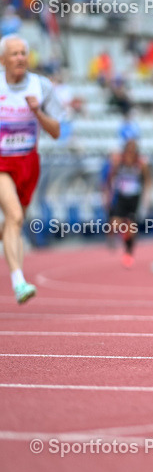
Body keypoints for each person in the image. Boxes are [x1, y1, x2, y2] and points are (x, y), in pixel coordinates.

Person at [0, 35, 61, 303]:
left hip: (28, 162)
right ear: (3, 60)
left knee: (15, 222)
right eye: (14, 54)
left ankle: (17, 278)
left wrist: (37, 113)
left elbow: (57, 131)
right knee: (13, 216)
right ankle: (19, 282)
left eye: (23, 53)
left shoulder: (41, 86)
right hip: (1, 162)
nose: (20, 58)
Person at [105, 139, 151, 267]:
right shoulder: (119, 162)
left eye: (133, 150)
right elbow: (110, 178)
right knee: (114, 223)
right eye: (128, 150)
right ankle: (113, 237)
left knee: (131, 228)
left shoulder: (141, 164)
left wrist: (146, 199)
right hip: (121, 197)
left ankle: (128, 252)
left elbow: (147, 180)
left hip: (134, 198)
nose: (130, 153)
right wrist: (108, 194)